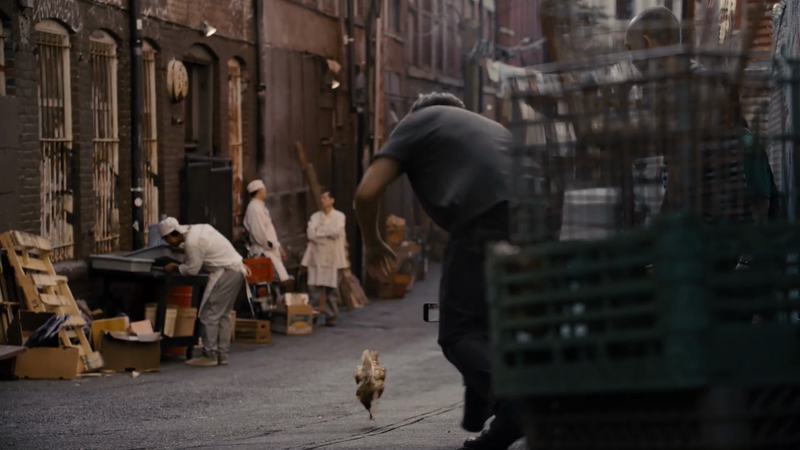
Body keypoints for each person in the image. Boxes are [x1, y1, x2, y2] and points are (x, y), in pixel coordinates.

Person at [354, 92, 521, 450]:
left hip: (484, 219)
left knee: (458, 333)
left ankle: (515, 402)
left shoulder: (418, 121)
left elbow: (366, 193)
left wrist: (373, 243)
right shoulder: (485, 127)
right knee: (491, 325)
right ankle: (491, 419)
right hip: (537, 217)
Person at [625, 6, 779, 230]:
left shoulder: (693, 86)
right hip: (714, 206)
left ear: (647, 44)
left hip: (734, 208)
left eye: (631, 49)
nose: (632, 59)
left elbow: (683, 163)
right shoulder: (670, 86)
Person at [159, 217, 248, 367]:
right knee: (223, 314)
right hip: (237, 269)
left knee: (209, 314)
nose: (168, 244)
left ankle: (210, 355)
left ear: (169, 236)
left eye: (167, 240)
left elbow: (192, 270)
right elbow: (199, 248)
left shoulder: (192, 242)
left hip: (225, 272)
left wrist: (175, 267)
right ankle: (222, 354)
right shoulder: (195, 230)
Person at [301, 190, 348, 327]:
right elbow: (310, 234)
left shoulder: (339, 216)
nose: (323, 200)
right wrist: (324, 234)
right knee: (314, 289)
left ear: (332, 200)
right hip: (317, 257)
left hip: (334, 257)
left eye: (325, 198)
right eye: (321, 198)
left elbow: (335, 231)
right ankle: (313, 314)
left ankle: (331, 316)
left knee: (333, 290)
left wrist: (319, 232)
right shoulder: (315, 217)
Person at [243, 179, 292, 283]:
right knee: (280, 281)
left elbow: (269, 231)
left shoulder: (260, 206)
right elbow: (259, 233)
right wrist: (271, 245)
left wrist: (278, 247)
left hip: (270, 252)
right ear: (260, 191)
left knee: (281, 281)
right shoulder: (254, 208)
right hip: (263, 253)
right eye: (264, 189)